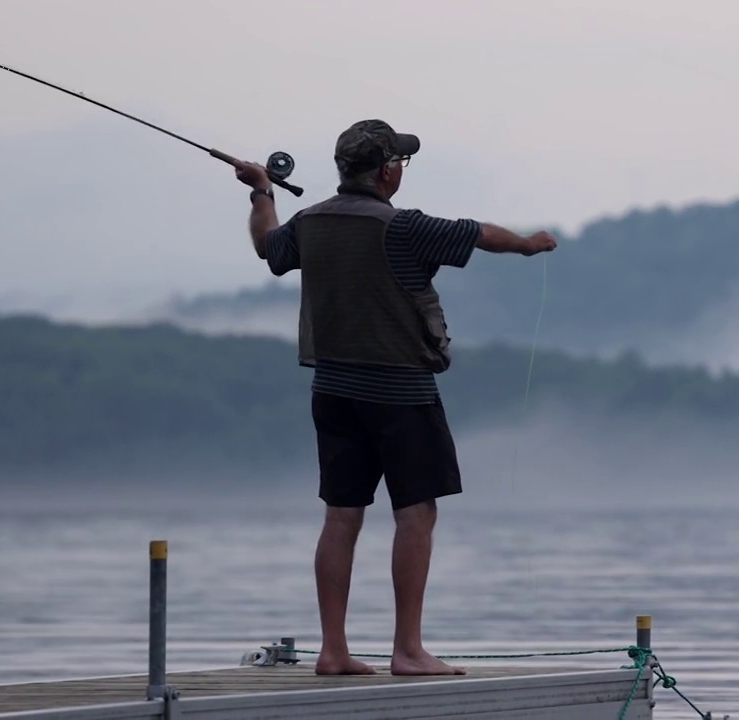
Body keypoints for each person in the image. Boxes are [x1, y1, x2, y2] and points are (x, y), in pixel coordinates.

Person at [232, 119, 557, 677]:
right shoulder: (403, 227)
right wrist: (529, 245)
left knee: (341, 517)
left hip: (332, 390)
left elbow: (268, 245)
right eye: (400, 162)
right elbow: (480, 233)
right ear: (386, 171)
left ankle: (333, 651)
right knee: (416, 515)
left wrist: (263, 189)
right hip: (401, 393)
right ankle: (408, 650)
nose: (402, 169)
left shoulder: (309, 222)